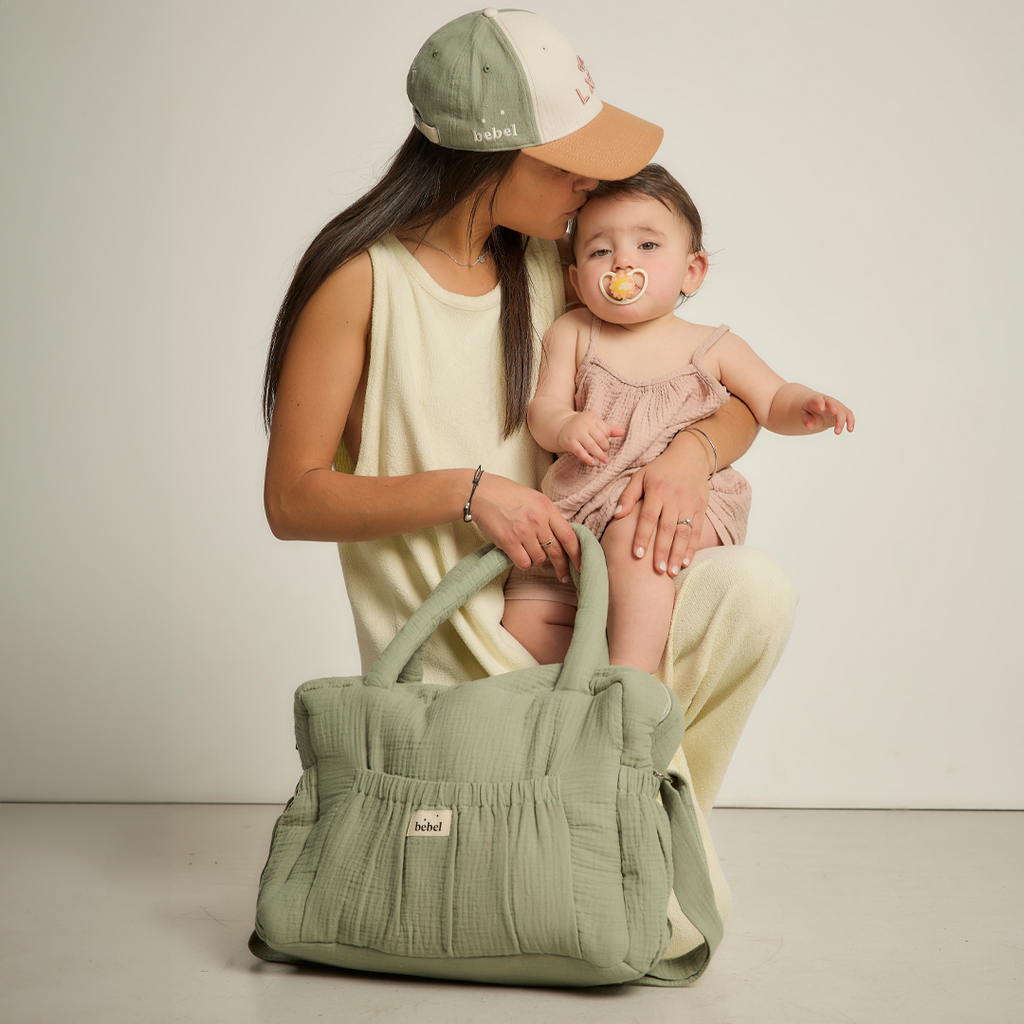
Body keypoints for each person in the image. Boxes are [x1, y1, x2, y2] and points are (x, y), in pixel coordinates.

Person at [262, 9, 799, 957]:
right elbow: (292, 500)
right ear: (490, 156)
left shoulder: (556, 263)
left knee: (753, 589)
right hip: (464, 650)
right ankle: (606, 820)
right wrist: (470, 493)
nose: (592, 187)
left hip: (595, 623)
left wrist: (688, 457)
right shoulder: (362, 282)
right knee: (661, 924)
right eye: (570, 164)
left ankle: (626, 796)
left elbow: (733, 395)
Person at [503, 165, 853, 672]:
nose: (623, 260)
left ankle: (630, 679)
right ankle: (580, 685)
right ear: (577, 278)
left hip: (665, 509)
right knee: (527, 613)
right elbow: (544, 408)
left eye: (647, 245)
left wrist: (805, 406)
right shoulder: (574, 331)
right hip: (580, 504)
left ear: (693, 271)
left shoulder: (713, 346)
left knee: (633, 540)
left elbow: (772, 398)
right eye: (600, 251)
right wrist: (565, 426)